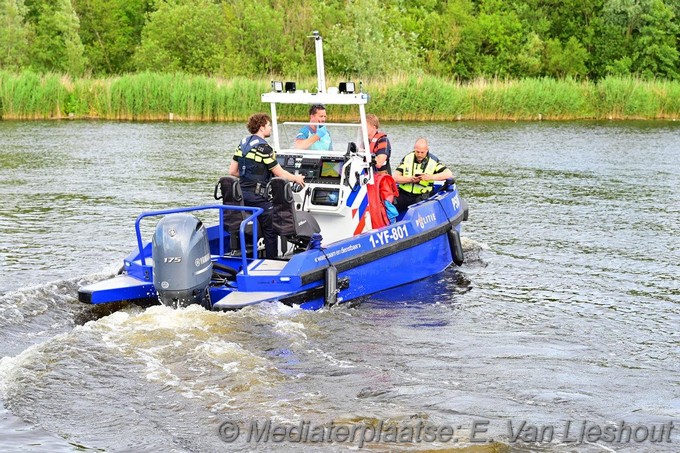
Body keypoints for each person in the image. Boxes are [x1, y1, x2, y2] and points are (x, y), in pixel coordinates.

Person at [230, 113, 305, 259]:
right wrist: (296, 178)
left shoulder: (242, 144)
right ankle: (271, 263)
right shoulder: (265, 149)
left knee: (244, 225)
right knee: (271, 229)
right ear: (262, 127)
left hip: (241, 196)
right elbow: (279, 173)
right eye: (269, 125)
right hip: (258, 198)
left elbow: (233, 171)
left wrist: (249, 177)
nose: (270, 128)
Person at [392, 138, 454, 213]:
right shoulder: (407, 158)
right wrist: (410, 179)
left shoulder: (433, 161)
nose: (419, 155)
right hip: (404, 194)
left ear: (427, 150)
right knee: (390, 205)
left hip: (421, 195)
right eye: (417, 152)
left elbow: (448, 174)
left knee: (417, 210)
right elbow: (394, 177)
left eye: (422, 152)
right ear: (414, 149)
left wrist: (429, 177)